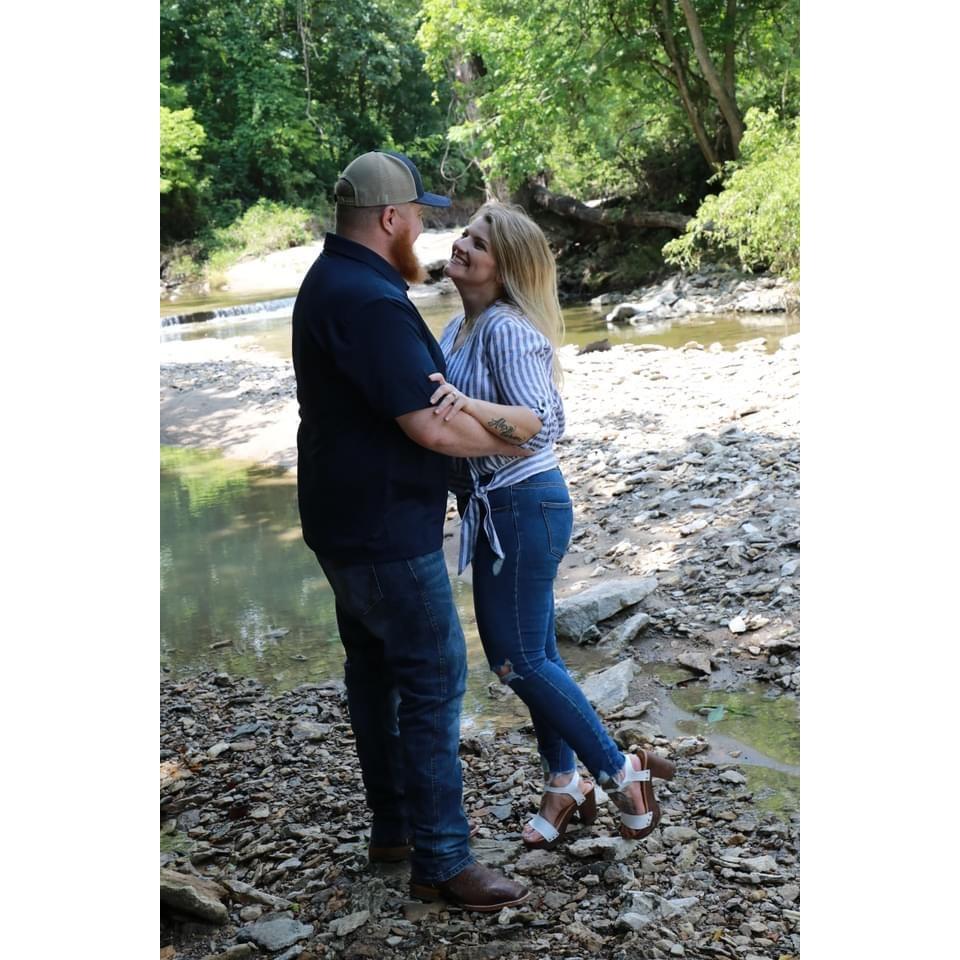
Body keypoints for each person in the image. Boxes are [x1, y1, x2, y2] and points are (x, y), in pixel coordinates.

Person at [292, 151, 530, 911]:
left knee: (376, 672)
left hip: (342, 520)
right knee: (432, 678)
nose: (425, 231)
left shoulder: (331, 279)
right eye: (419, 217)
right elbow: (430, 425)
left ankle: (394, 829)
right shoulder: (370, 300)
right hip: (385, 529)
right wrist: (517, 439)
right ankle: (443, 860)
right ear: (390, 218)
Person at [430, 202, 676, 850]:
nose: (462, 245)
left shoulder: (507, 329)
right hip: (500, 508)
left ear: (506, 266)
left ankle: (620, 771)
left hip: (522, 506)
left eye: (479, 243)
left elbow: (542, 424)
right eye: (464, 234)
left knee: (516, 660)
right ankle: (563, 781)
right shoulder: (460, 326)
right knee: (538, 655)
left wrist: (464, 404)